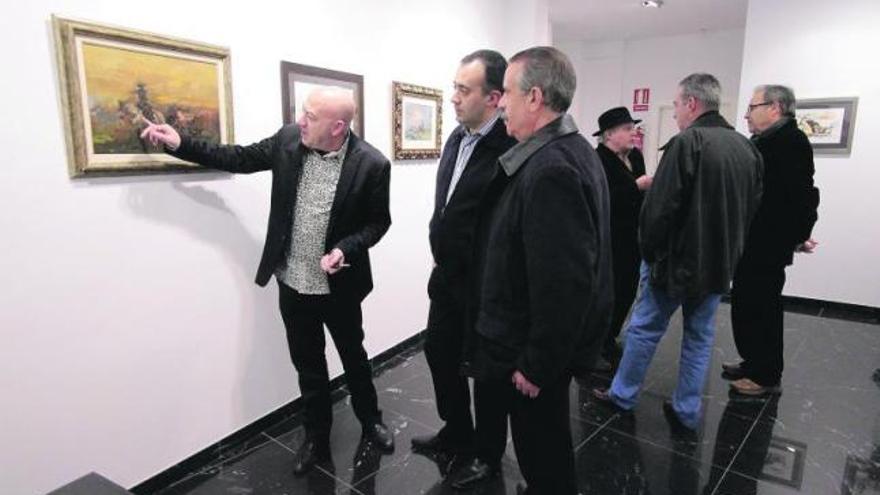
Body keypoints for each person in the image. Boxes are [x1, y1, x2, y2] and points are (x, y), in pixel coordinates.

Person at [140, 87, 394, 475]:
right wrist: (181, 143)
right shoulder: (288, 141)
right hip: (293, 284)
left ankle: (371, 420)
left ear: (338, 127)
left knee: (354, 358)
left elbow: (379, 223)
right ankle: (316, 438)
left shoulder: (372, 164)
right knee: (308, 366)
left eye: (310, 116)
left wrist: (346, 248)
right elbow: (237, 158)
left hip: (339, 287)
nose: (300, 121)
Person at [469, 46, 612, 495]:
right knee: (544, 451)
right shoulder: (567, 150)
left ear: (534, 97)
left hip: (535, 354)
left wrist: (536, 365)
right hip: (535, 342)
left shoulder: (551, 168)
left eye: (507, 93)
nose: (500, 103)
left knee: (543, 457)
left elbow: (564, 283)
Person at [593, 73, 763, 433]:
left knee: (644, 329)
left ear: (691, 104)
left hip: (676, 264)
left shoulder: (688, 143)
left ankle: (622, 394)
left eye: (677, 107)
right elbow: (752, 209)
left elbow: (659, 209)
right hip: (719, 265)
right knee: (699, 339)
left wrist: (649, 253)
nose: (675, 116)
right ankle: (687, 410)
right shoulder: (747, 148)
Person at [408, 50, 518, 489]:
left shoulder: (509, 146)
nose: (453, 97)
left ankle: (488, 456)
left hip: (486, 284)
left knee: (488, 372)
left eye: (463, 89)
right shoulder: (458, 137)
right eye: (454, 86)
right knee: (440, 352)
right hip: (448, 275)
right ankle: (457, 429)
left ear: (494, 97)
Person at [724, 84, 820, 395]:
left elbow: (802, 196)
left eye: (752, 107)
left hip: (767, 243)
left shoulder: (790, 141)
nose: (747, 114)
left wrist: (797, 236)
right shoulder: (767, 141)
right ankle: (752, 361)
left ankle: (766, 375)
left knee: (763, 305)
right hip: (753, 241)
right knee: (746, 301)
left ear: (775, 107)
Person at [592, 106, 653, 371]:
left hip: (632, 238)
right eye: (627, 129)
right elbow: (601, 198)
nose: (634, 132)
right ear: (609, 135)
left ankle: (608, 338)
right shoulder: (598, 160)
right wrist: (635, 187)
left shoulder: (636, 157)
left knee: (626, 291)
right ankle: (594, 346)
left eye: (633, 127)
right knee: (605, 294)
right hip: (608, 240)